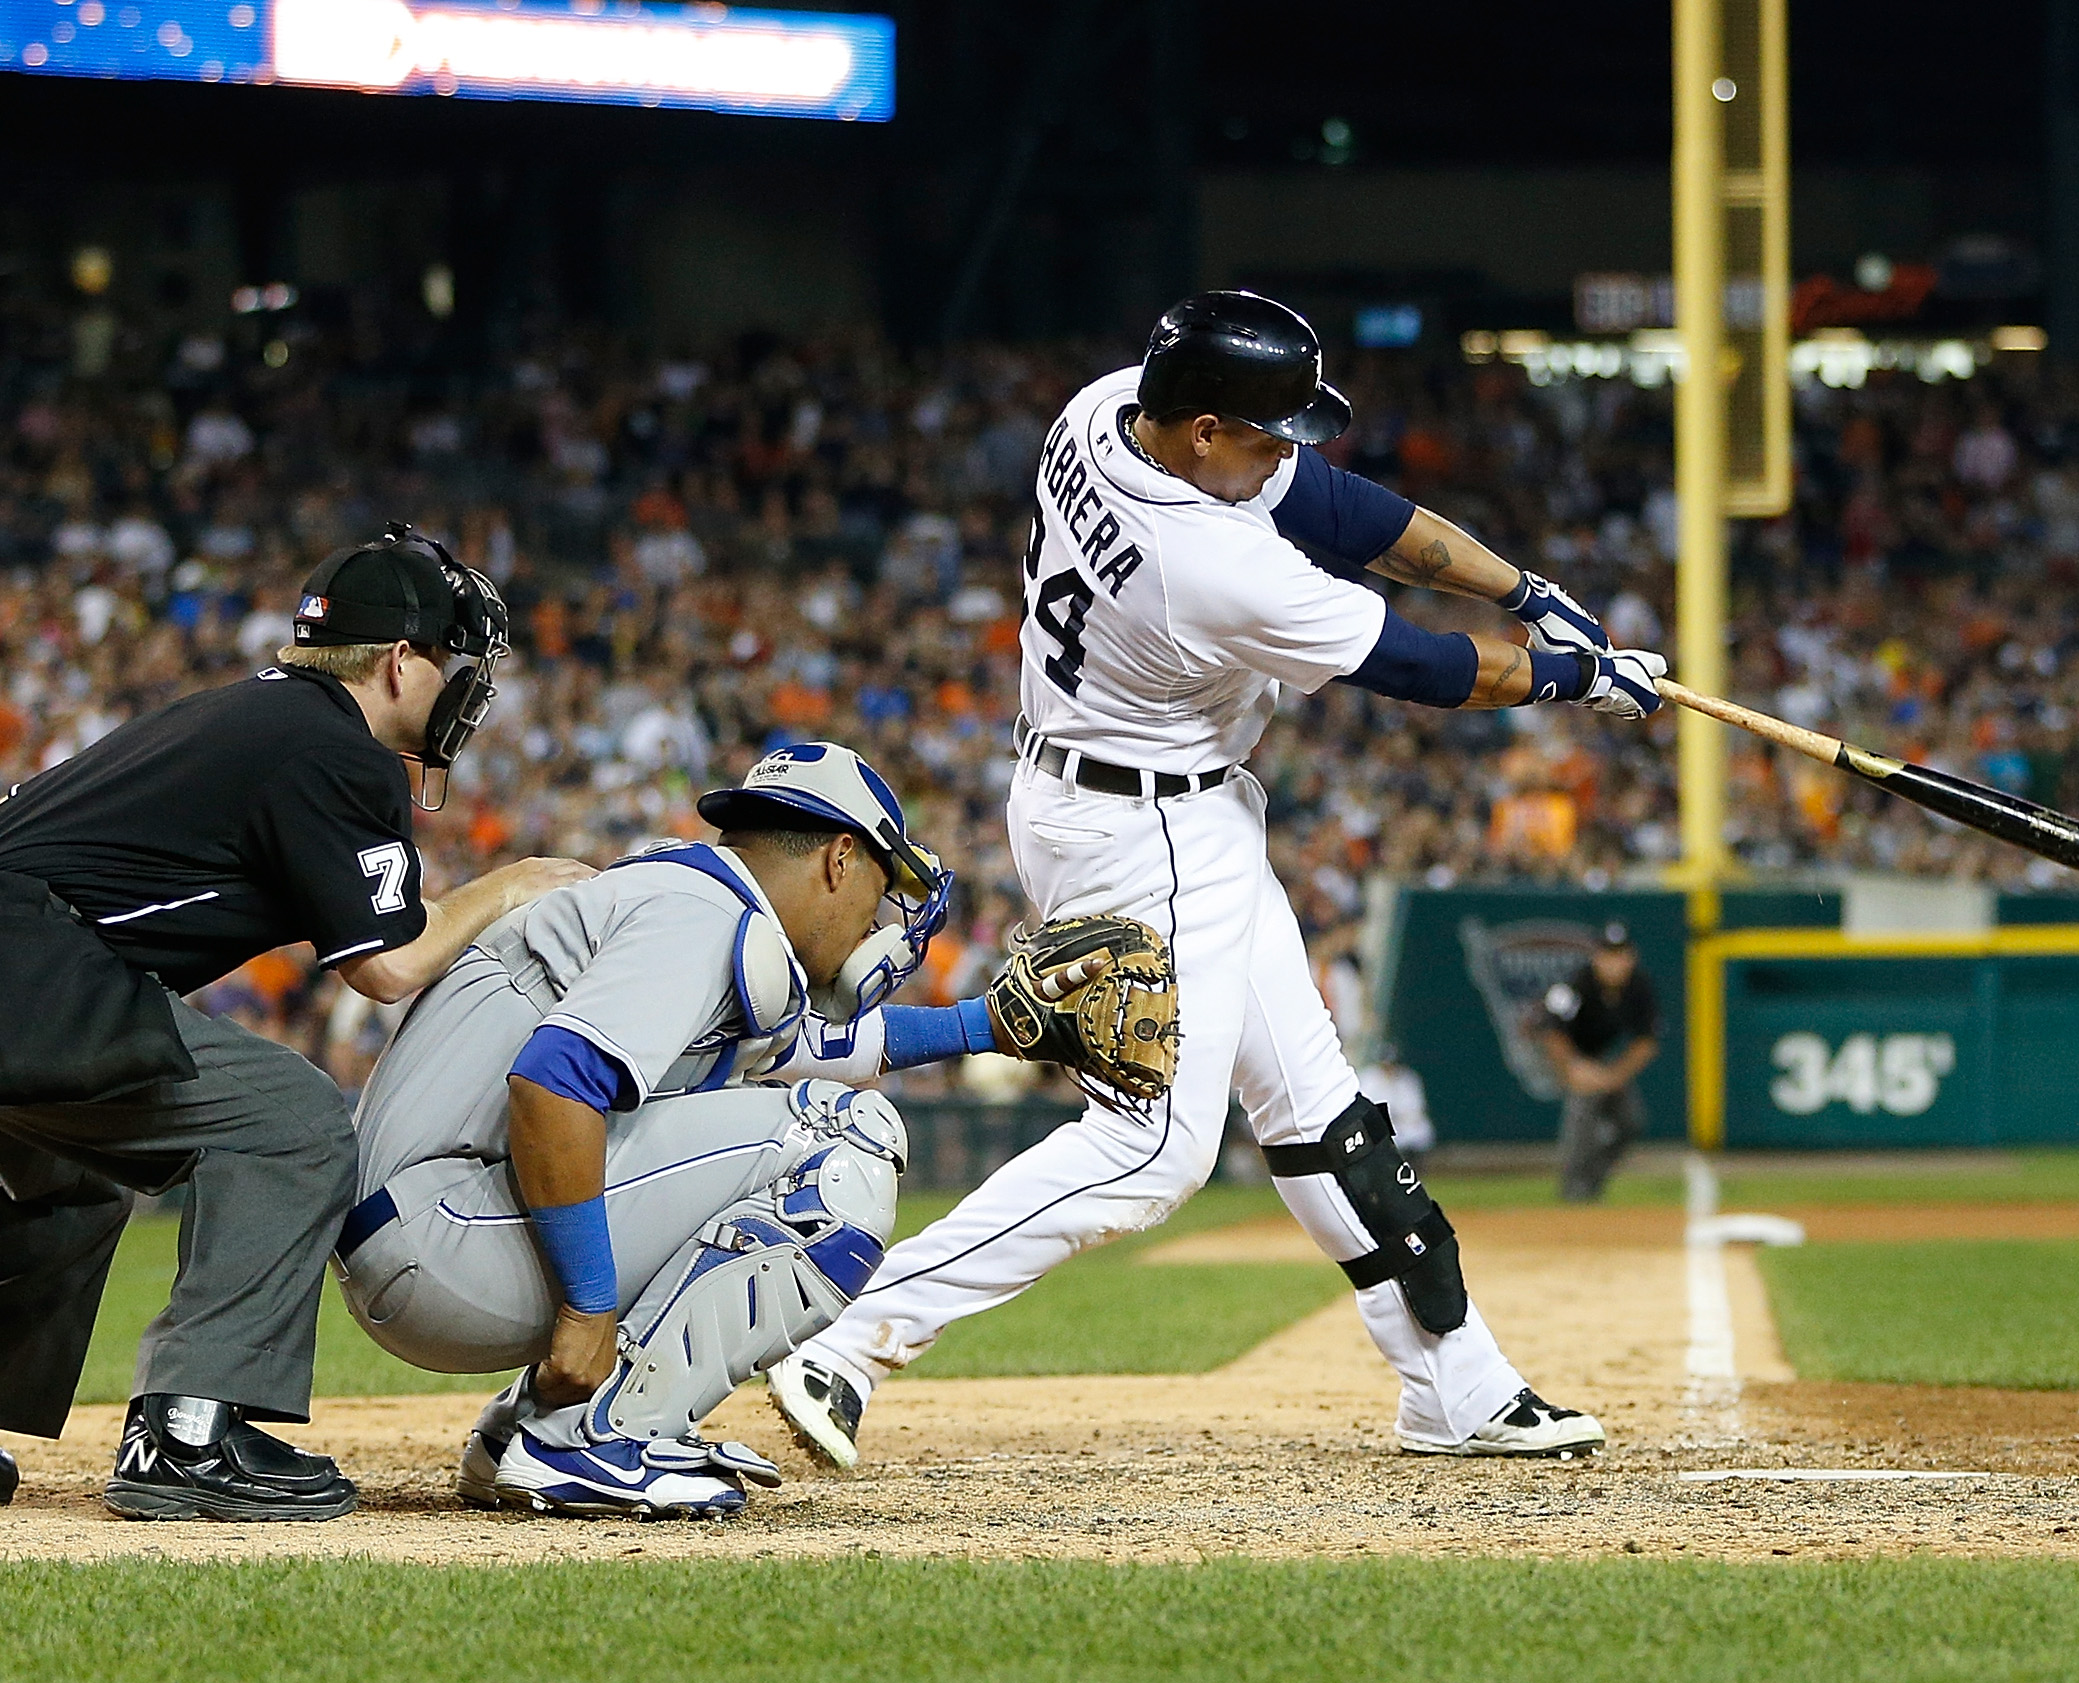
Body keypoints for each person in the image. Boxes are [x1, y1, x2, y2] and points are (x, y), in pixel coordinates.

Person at [769, 289, 1664, 1467]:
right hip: (1148, 830)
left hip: (1119, 793)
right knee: (1153, 1144)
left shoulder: (1107, 410)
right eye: (1265, 432)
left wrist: (1522, 588)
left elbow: (1348, 507)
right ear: (1200, 430)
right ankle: (849, 1330)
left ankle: (1458, 1384)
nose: (1285, 451)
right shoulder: (1212, 563)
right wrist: (1576, 678)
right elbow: (1427, 667)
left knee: (1314, 1103)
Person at [340, 742, 1120, 1519]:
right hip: (443, 1236)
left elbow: (819, 1048)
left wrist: (989, 1025)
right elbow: (554, 1084)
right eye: (880, 898)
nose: (874, 931)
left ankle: (528, 1435)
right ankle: (596, 1437)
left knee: (792, 1123)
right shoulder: (703, 913)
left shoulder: (702, 904)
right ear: (840, 860)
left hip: (425, 1234)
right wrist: (586, 1308)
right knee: (845, 1141)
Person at [0, 526, 579, 1520]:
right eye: (451, 663)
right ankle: (185, 1434)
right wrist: (510, 884)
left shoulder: (261, 716)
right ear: (401, 659)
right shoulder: (334, 747)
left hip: (31, 962)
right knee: (294, 1122)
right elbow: (388, 965)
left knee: (79, 1177)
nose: (460, 691)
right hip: (26, 968)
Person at [1543, 922, 1657, 1203]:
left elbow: (1647, 1042)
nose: (1615, 963)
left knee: (1631, 1121)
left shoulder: (1638, 987)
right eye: (1608, 955)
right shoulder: (1576, 985)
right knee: (1582, 1116)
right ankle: (1572, 1189)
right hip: (1561, 1054)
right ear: (1597, 956)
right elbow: (1551, 1033)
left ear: (1632, 957)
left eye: (1621, 955)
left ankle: (1591, 1181)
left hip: (1603, 1061)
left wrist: (1615, 1075)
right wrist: (1575, 1069)